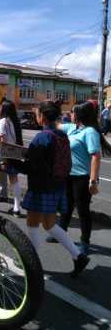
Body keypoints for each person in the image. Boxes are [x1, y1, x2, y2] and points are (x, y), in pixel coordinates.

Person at [15, 100, 89, 277]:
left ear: (42, 117)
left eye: (37, 114)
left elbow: (32, 167)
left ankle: (31, 262)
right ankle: (78, 256)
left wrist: (10, 162)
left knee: (32, 222)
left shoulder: (42, 137)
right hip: (58, 186)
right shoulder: (61, 136)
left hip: (41, 188)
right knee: (49, 224)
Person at [52, 101, 111, 254]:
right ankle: (61, 233)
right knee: (66, 206)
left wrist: (93, 180)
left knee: (83, 210)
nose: (70, 115)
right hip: (68, 175)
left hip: (82, 178)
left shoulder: (90, 132)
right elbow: (55, 125)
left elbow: (95, 157)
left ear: (79, 115)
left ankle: (85, 242)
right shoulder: (71, 128)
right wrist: (54, 108)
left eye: (72, 112)